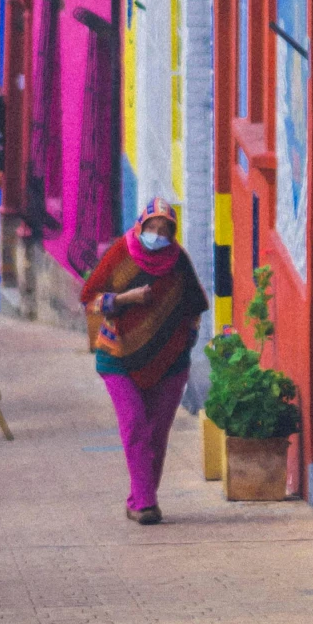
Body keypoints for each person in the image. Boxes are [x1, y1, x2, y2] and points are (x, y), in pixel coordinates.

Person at [80, 198, 207, 525]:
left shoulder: (178, 261)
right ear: (141, 226)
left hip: (170, 363)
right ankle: (146, 504)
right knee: (135, 424)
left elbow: (194, 307)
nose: (157, 234)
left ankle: (140, 499)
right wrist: (126, 299)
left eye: (165, 230)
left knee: (156, 433)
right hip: (118, 356)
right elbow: (90, 300)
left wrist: (184, 345)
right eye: (152, 227)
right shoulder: (121, 254)